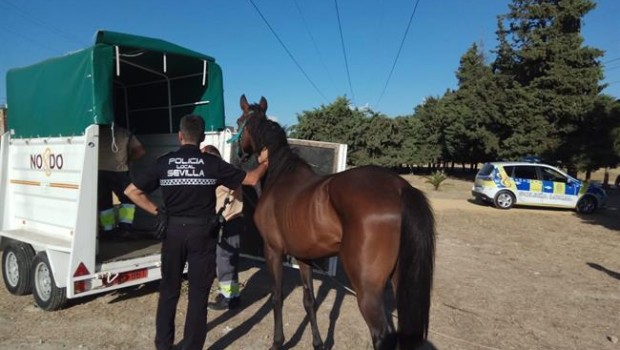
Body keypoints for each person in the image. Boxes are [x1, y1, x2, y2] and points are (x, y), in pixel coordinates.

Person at [124, 115, 268, 350]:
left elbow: (132, 191)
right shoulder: (211, 163)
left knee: (169, 291)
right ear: (202, 138)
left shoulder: (164, 162)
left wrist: (158, 212)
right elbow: (251, 179)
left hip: (172, 232)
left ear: (180, 136)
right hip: (202, 234)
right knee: (198, 296)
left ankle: (163, 345)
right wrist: (266, 162)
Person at [201, 145, 244, 310]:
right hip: (229, 223)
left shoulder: (223, 172)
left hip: (228, 223)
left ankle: (227, 299)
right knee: (228, 262)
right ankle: (233, 296)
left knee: (225, 262)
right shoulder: (225, 172)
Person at [98, 123, 146, 240]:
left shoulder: (96, 132)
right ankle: (125, 229)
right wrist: (128, 160)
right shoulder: (124, 132)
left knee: (104, 203)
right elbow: (140, 151)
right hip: (119, 171)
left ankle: (108, 230)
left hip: (99, 171)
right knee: (128, 199)